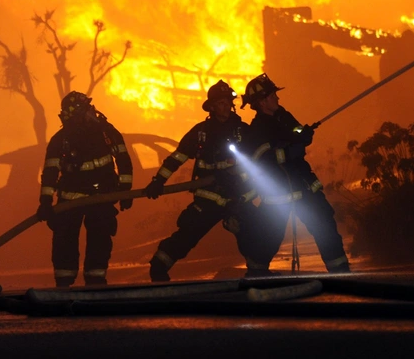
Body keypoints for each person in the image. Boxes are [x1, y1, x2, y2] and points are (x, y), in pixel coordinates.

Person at [145, 80, 261, 282]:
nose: (226, 107)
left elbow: (260, 160)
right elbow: (177, 158)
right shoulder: (201, 132)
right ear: (212, 107)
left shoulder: (244, 131)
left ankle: (259, 273)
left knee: (253, 233)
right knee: (189, 233)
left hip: (238, 197)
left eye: (228, 102)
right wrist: (158, 180)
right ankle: (159, 266)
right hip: (210, 196)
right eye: (221, 103)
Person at [240, 73, 350, 274]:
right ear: (262, 102)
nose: (277, 98)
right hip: (278, 194)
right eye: (273, 95)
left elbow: (297, 132)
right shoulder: (257, 130)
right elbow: (259, 159)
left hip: (304, 186)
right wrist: (288, 152)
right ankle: (256, 276)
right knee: (269, 238)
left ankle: (341, 272)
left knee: (325, 228)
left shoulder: (283, 115)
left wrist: (304, 134)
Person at [36, 91, 134, 287]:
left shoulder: (107, 132)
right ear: (76, 113)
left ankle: (96, 280)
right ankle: (64, 283)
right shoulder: (60, 140)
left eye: (91, 107)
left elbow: (124, 161)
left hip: (101, 198)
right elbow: (50, 173)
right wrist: (45, 202)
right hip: (70, 201)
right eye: (87, 108)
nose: (92, 111)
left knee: (100, 239)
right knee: (64, 241)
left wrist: (125, 190)